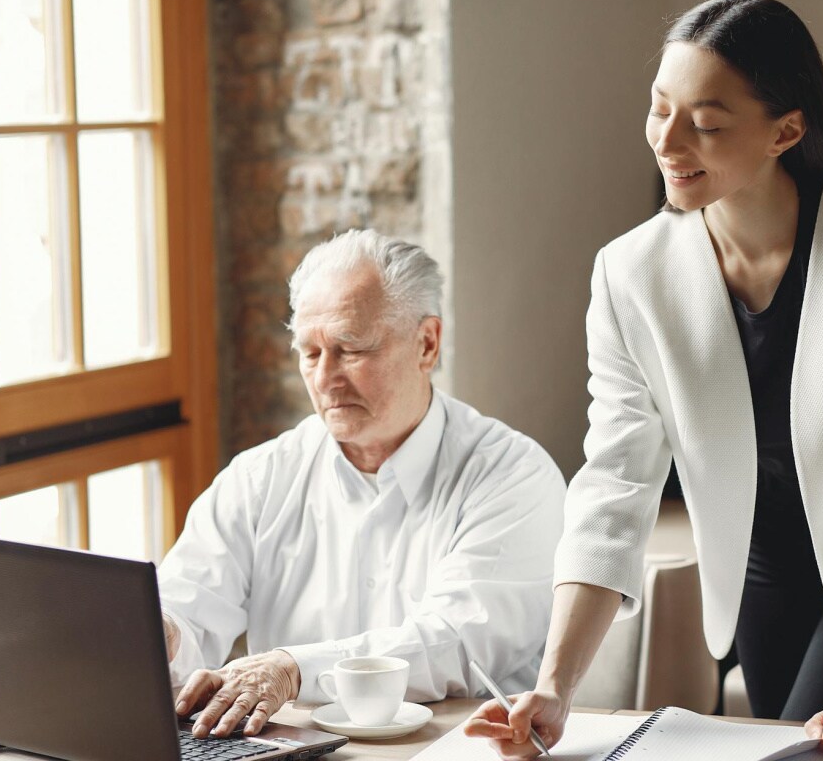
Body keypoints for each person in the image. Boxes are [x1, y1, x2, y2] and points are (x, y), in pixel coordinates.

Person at [466, 0, 823, 760]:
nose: (668, 140)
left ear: (786, 130)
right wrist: (554, 689)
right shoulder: (630, 272)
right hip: (762, 571)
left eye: (706, 123)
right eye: (659, 109)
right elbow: (614, 481)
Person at [158, 229, 566, 739]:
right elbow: (188, 605)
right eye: (310, 353)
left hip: (459, 749)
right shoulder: (260, 477)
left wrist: (294, 670)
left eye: (350, 349)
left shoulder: (513, 475)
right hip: (292, 750)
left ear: (426, 343)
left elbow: (456, 644)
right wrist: (164, 632)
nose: (325, 378)